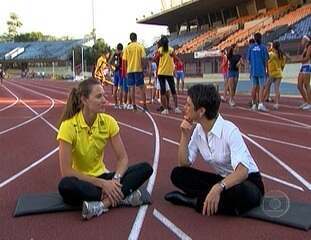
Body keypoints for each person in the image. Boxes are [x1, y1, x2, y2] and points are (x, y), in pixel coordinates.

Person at [57, 78, 153, 220]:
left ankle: (102, 205)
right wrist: (103, 184)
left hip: (104, 177)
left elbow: (123, 158)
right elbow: (66, 171)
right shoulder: (68, 126)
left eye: (104, 95)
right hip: (83, 181)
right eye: (98, 96)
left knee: (145, 168)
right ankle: (123, 197)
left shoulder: (108, 122)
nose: (104, 100)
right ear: (84, 100)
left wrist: (115, 180)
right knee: (65, 185)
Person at [165, 84, 264, 216]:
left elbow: (242, 172)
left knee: (236, 193)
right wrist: (184, 136)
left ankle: (192, 201)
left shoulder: (229, 130)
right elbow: (184, 164)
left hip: (247, 183)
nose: (185, 108)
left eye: (188, 105)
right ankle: (216, 200)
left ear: (201, 111)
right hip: (222, 179)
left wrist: (218, 188)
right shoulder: (198, 131)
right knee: (178, 174)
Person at [154, 36, 182, 115]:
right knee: (173, 91)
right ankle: (176, 108)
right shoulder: (170, 49)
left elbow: (155, 58)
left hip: (161, 72)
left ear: (162, 43)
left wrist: (159, 63)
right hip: (169, 73)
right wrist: (179, 61)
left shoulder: (160, 50)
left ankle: (165, 109)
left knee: (163, 91)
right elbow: (176, 57)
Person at [122, 32, 148, 111]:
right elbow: (143, 58)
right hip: (138, 69)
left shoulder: (127, 48)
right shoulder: (140, 47)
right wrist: (144, 69)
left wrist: (125, 71)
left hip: (130, 70)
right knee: (141, 88)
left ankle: (134, 105)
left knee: (131, 88)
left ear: (130, 39)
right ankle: (144, 105)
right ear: (136, 38)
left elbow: (124, 60)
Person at [248, 32, 269, 112]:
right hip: (261, 70)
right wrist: (267, 70)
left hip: (253, 70)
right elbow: (266, 60)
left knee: (254, 87)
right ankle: (260, 104)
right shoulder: (263, 47)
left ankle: (254, 104)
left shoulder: (251, 47)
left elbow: (249, 60)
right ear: (261, 38)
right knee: (261, 87)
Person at [264, 41, 286, 110]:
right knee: (277, 89)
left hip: (272, 73)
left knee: (266, 87)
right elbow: (282, 66)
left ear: (273, 47)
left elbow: (265, 59)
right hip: (279, 73)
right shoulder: (282, 55)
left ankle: (260, 102)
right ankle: (277, 104)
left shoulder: (271, 54)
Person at [109, 43, 128, 109]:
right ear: (122, 48)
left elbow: (109, 62)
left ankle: (116, 104)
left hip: (116, 72)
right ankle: (121, 104)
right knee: (121, 89)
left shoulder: (114, 53)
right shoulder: (122, 54)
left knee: (115, 89)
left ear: (117, 47)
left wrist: (112, 70)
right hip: (121, 72)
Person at [297, 35, 311, 110]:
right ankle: (306, 101)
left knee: (306, 85)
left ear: (306, 40)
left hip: (307, 66)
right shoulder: (305, 47)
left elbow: (307, 58)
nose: (302, 40)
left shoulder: (310, 47)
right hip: (303, 66)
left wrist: (297, 60)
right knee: (299, 85)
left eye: (303, 39)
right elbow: (302, 57)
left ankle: (310, 103)